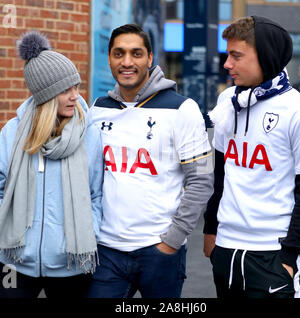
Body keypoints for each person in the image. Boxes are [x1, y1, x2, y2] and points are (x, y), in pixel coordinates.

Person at [203, 16, 300, 298]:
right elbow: (220, 174)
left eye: (236, 56)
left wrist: (289, 256)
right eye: (227, 55)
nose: (227, 64)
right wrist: (211, 230)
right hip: (226, 249)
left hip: (273, 254)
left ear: (266, 57)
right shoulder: (227, 102)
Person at [87, 24, 213, 298]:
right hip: (106, 251)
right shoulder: (96, 109)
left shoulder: (183, 109)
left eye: (136, 53)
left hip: (159, 251)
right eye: (119, 54)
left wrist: (173, 240)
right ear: (109, 58)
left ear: (150, 58)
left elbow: (202, 179)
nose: (127, 62)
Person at [0, 31, 103, 298]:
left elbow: (97, 194)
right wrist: (10, 230)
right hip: (15, 263)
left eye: (76, 87)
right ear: (46, 95)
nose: (75, 96)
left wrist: (81, 234)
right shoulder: (13, 132)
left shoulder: (89, 134)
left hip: (72, 264)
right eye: (65, 90)